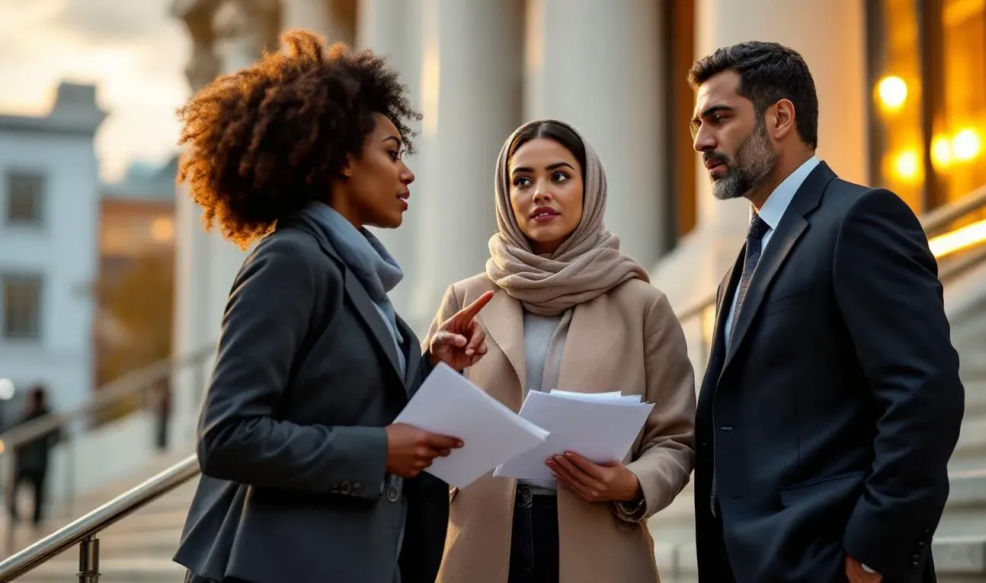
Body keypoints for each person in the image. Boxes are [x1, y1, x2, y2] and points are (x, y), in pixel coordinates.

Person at [171, 31, 492, 583]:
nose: (407, 173)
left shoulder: (360, 276)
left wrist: (433, 366)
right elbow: (227, 437)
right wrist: (377, 451)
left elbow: (351, 404)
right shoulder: (290, 260)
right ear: (342, 158)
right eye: (392, 153)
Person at [688, 41, 965, 583]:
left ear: (780, 118)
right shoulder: (739, 269)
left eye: (719, 118)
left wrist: (875, 551)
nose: (701, 140)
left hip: (833, 560)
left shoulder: (860, 219)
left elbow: (923, 394)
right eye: (697, 123)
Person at [425, 119, 697, 583]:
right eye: (522, 181)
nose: (540, 193)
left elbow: (676, 438)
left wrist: (632, 483)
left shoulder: (642, 305)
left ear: (589, 188)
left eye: (559, 176)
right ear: (505, 196)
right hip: (480, 544)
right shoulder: (466, 299)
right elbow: (417, 431)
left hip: (600, 541)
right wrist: (434, 367)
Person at [8, 384, 60, 529]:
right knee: (38, 492)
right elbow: (56, 436)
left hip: (24, 462)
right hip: (39, 461)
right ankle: (35, 522)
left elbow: (15, 435)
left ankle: (17, 517)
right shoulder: (48, 417)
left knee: (16, 490)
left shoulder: (26, 416)